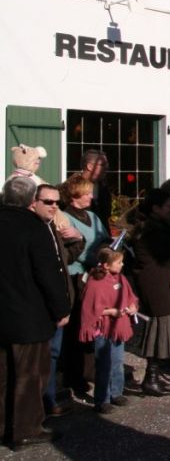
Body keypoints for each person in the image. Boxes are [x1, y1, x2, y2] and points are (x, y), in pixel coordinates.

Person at [0, 177, 71, 449]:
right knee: (29, 376)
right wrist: (61, 309)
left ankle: (4, 425)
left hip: (5, 313)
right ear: (31, 201)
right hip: (28, 315)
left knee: (3, 373)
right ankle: (26, 429)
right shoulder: (34, 229)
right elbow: (48, 275)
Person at [59, 172, 112, 398]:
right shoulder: (64, 218)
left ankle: (89, 370)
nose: (91, 196)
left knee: (92, 322)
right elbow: (71, 249)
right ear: (74, 197)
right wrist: (93, 258)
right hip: (75, 277)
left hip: (96, 275)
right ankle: (72, 375)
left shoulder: (93, 215)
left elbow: (104, 237)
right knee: (75, 326)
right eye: (86, 193)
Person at [132, 188, 170, 397]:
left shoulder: (159, 225)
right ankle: (151, 378)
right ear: (155, 208)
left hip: (164, 283)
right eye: (167, 206)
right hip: (157, 285)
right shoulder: (149, 230)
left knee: (163, 330)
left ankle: (153, 376)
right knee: (158, 329)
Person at [31, 184, 81, 418]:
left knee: (52, 354)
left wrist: (77, 238)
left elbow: (65, 258)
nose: (54, 207)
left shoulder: (53, 227)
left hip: (58, 301)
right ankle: (35, 407)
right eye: (48, 202)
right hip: (38, 305)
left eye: (57, 203)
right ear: (34, 202)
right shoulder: (30, 229)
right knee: (36, 358)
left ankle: (48, 401)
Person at [79, 247, 137, 414]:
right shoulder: (94, 283)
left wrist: (132, 306)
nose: (122, 264)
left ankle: (116, 392)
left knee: (118, 362)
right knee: (104, 364)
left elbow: (130, 296)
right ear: (106, 265)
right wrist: (111, 312)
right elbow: (90, 309)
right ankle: (102, 399)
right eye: (118, 262)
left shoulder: (120, 278)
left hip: (118, 327)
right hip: (103, 329)